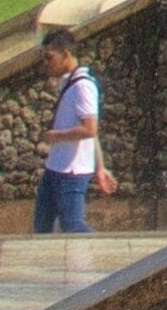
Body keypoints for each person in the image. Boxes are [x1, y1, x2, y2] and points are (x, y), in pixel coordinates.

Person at [31, 29, 113, 234]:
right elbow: (93, 136)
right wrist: (101, 168)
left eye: (50, 57)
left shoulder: (83, 86)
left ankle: (104, 252)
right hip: (55, 167)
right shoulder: (69, 83)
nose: (47, 63)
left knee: (72, 225)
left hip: (72, 171)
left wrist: (55, 136)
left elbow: (90, 129)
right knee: (42, 224)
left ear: (66, 54)